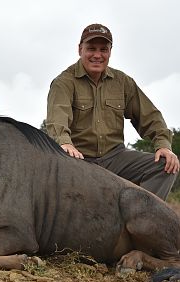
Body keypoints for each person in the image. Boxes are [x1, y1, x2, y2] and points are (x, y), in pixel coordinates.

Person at [46, 23, 179, 200]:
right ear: (80, 49)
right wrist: (65, 143)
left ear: (110, 51)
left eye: (104, 49)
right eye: (91, 48)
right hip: (79, 160)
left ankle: (139, 219)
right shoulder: (64, 82)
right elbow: (57, 120)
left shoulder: (123, 82)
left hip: (116, 158)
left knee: (166, 164)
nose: (97, 55)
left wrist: (163, 145)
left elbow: (152, 117)